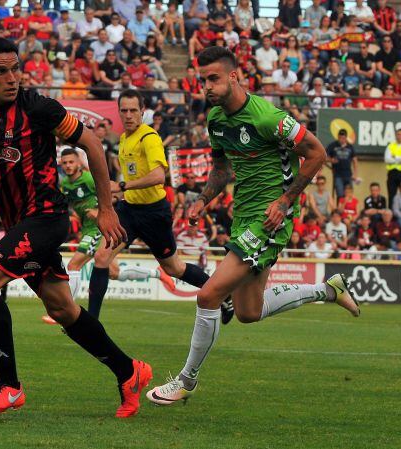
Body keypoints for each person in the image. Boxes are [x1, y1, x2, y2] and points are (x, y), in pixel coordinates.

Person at [0, 37, 151, 418]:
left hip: (47, 218)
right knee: (63, 309)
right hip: (17, 223)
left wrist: (106, 209)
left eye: (15, 69)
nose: (11, 78)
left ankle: (9, 386)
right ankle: (129, 371)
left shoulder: (37, 107)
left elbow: (92, 144)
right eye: (1, 72)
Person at [148, 46, 360, 406]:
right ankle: (328, 290)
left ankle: (187, 380)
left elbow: (317, 153)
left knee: (208, 295)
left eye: (214, 78)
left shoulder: (268, 117)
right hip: (244, 216)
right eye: (203, 81)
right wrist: (203, 199)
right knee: (248, 312)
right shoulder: (216, 119)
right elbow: (220, 169)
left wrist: (284, 201)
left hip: (270, 219)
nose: (207, 87)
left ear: (234, 76)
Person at [82, 90, 232, 322]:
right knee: (102, 258)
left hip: (154, 213)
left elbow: (158, 176)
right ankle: (90, 322)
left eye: (134, 110)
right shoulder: (123, 139)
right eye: (124, 110)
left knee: (174, 268)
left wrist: (122, 185)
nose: (129, 115)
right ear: (119, 112)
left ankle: (224, 294)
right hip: (129, 211)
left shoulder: (149, 138)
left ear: (143, 111)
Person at [41, 148, 174, 324]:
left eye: (71, 162)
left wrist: (102, 211)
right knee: (113, 272)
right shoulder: (65, 183)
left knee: (74, 265)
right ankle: (157, 273)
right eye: (64, 163)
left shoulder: (88, 179)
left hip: (99, 228)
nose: (68, 165)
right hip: (87, 229)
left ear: (79, 162)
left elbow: (116, 193)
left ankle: (65, 312)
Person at [325, 129, 358, 199]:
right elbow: (324, 157)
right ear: (338, 137)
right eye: (340, 138)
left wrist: (355, 174)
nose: (341, 140)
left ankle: (348, 209)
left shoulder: (350, 147)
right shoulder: (333, 145)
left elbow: (355, 160)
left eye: (343, 138)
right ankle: (340, 209)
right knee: (340, 194)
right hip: (337, 174)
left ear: (346, 137)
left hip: (348, 174)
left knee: (349, 194)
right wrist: (331, 160)